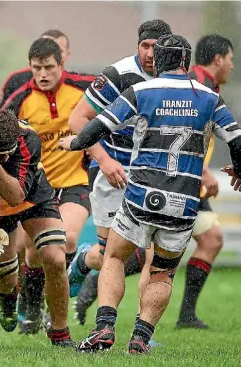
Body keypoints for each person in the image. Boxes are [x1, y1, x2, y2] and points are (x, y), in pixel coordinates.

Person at [59, 34, 241, 354]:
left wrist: (74, 143)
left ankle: (104, 329)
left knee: (114, 256)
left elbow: (99, 126)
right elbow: (236, 140)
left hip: (142, 194)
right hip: (184, 202)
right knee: (162, 271)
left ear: (158, 61)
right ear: (186, 62)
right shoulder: (209, 97)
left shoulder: (141, 90)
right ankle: (141, 337)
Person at [66, 19, 172, 322]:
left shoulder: (174, 79)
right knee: (109, 255)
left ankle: (144, 331)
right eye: (145, 46)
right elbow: (78, 120)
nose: (151, 53)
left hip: (152, 174)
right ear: (137, 46)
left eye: (157, 47)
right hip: (111, 170)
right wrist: (105, 160)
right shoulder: (118, 74)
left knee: (154, 257)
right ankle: (85, 260)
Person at [2, 37, 94, 333]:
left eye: (49, 67)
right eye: (36, 68)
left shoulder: (83, 89)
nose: (42, 74)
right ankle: (32, 308)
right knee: (32, 253)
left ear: (61, 65)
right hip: (36, 187)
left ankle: (62, 291)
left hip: (74, 181)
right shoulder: (19, 99)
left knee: (66, 239)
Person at [0, 109, 75, 347]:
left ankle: (60, 332)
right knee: (3, 274)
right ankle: (7, 297)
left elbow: (17, 196)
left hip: (30, 195)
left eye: (9, 154)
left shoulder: (29, 138)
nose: (5, 160)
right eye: (0, 154)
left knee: (55, 258)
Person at [176, 34, 234, 329]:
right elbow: (182, 129)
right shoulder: (197, 85)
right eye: (231, 59)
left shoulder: (206, 85)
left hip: (190, 179)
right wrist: (202, 170)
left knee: (211, 239)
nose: (233, 66)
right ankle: (94, 270)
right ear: (219, 58)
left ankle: (186, 315)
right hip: (179, 178)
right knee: (153, 249)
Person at [0, 29, 91, 109]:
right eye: (37, 68)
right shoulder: (17, 82)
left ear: (67, 55)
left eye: (59, 50)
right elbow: (0, 117)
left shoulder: (83, 85)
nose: (43, 74)